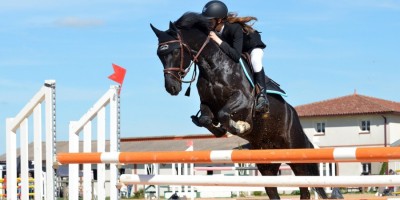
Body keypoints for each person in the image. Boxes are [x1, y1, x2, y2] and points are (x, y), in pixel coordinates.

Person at [202, 0, 269, 113]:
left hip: (251, 47)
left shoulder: (234, 28)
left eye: (210, 21)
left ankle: (262, 97)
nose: (207, 23)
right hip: (235, 48)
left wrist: (217, 40)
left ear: (219, 20)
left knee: (255, 61)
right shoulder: (213, 30)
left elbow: (236, 56)